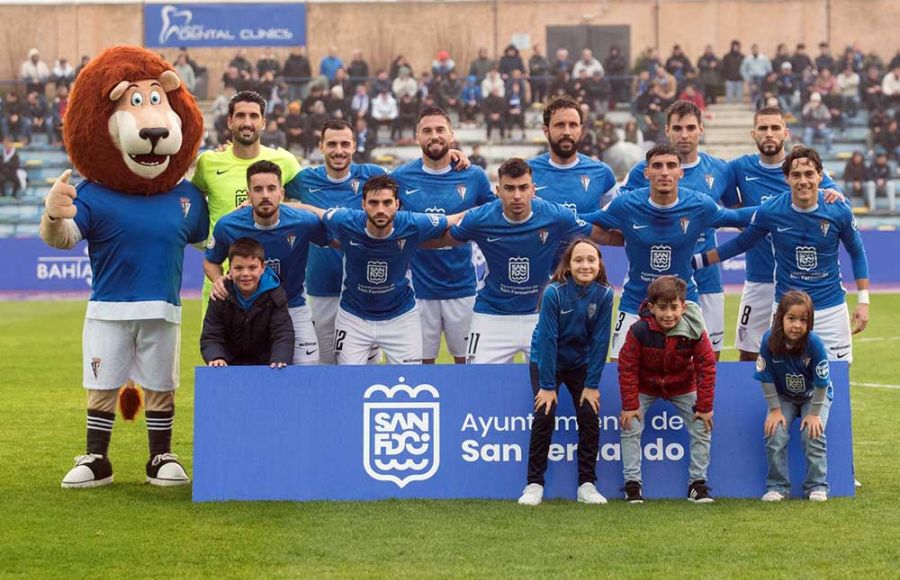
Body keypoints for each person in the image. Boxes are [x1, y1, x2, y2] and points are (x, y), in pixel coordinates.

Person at [582, 144, 753, 360]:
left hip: (684, 303)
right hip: (636, 300)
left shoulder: (699, 204)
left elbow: (738, 218)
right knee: (619, 365)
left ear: (680, 172)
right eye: (657, 166)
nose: (664, 172)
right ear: (646, 172)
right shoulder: (626, 205)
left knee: (697, 368)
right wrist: (545, 213)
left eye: (671, 165)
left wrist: (783, 206)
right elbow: (583, 220)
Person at [699, 145, 869, 363]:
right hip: (786, 311)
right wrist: (695, 262)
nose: (803, 180)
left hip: (830, 309)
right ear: (787, 178)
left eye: (809, 174)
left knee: (837, 379)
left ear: (820, 175)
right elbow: (740, 243)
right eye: (796, 175)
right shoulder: (772, 210)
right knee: (784, 381)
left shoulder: (838, 209)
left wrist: (863, 301)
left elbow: (856, 252)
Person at [444, 158, 622, 364]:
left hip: (541, 316)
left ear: (533, 189)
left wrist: (635, 240)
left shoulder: (554, 215)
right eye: (510, 189)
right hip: (491, 316)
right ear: (498, 191)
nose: (517, 196)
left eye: (523, 188)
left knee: (553, 385)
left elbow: (603, 236)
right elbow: (442, 239)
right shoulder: (480, 218)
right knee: (478, 382)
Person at [722, 107, 843, 361]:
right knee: (748, 353)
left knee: (802, 355)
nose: (769, 133)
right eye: (763, 128)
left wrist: (836, 195)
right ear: (753, 133)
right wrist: (749, 221)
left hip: (799, 282)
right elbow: (726, 204)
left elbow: (839, 202)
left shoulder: (802, 169)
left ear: (785, 133)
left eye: (775, 128)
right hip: (759, 277)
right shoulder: (738, 168)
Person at [300, 175, 455, 365]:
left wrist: (495, 210)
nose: (380, 209)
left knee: (409, 383)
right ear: (363, 204)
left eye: (387, 202)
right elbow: (313, 211)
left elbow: (454, 220)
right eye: (373, 203)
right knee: (348, 381)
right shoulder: (344, 220)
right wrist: (275, 207)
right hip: (353, 317)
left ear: (397, 204)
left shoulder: (413, 223)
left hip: (401, 318)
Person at [619, 101, 733, 358]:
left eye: (691, 127)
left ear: (701, 129)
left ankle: (702, 400)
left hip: (706, 279)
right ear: (667, 130)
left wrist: (710, 257)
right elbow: (621, 212)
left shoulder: (721, 169)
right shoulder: (643, 171)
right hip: (656, 278)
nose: (684, 134)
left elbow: (739, 215)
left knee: (709, 356)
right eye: (678, 128)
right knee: (644, 356)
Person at [391, 107, 494, 364]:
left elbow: (494, 216)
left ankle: (468, 407)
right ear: (417, 136)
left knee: (468, 366)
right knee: (421, 368)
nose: (434, 136)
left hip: (463, 287)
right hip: (416, 291)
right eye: (427, 131)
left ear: (452, 134)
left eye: (440, 130)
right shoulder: (400, 177)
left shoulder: (474, 176)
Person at [518, 239, 614, 506]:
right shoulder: (554, 292)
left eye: (591, 260)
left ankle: (587, 485)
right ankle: (534, 484)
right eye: (579, 260)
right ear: (568, 265)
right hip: (547, 360)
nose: (585, 265)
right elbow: (548, 340)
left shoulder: (605, 294)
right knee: (544, 415)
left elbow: (600, 341)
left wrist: (592, 384)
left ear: (599, 264)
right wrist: (547, 386)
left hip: (580, 362)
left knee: (589, 415)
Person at [191, 91, 301, 323]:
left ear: (264, 122)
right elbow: (191, 202)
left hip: (271, 281)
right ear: (230, 121)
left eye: (254, 116)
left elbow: (304, 205)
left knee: (275, 356)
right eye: (240, 116)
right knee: (217, 355)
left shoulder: (285, 162)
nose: (247, 122)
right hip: (221, 279)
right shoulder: (209, 162)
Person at [285, 119, 387, 364]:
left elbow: (415, 178)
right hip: (321, 289)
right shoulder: (304, 180)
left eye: (344, 144)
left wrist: (454, 155)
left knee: (366, 368)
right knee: (326, 365)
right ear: (321, 146)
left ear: (354, 146)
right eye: (332, 144)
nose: (338, 150)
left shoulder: (373, 175)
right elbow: (271, 192)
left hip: (366, 289)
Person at [205, 161, 327, 365]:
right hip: (248, 312)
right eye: (258, 189)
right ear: (248, 194)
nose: (265, 195)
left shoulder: (303, 222)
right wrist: (217, 280)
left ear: (282, 192)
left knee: (308, 371)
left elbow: (338, 239)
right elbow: (211, 262)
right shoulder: (228, 225)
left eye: (271, 189)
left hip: (293, 305)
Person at [618, 275, 716, 503]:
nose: (668, 314)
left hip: (682, 385)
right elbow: (627, 367)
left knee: (703, 424)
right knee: (630, 424)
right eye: (662, 308)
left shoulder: (695, 329)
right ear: (651, 308)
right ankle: (632, 485)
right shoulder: (638, 330)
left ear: (683, 306)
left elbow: (707, 367)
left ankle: (697, 485)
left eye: (674, 307)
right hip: (646, 385)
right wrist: (630, 406)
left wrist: (704, 407)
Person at [754, 291, 833, 502]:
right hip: (784, 397)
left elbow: (822, 382)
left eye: (803, 320)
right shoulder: (769, 340)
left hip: (813, 397)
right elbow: (765, 376)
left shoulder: (814, 344)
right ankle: (777, 486)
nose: (797, 325)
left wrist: (814, 414)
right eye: (791, 318)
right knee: (775, 432)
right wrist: (774, 410)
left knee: (812, 432)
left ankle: (817, 485)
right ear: (780, 318)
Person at [201, 238, 295, 368]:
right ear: (230, 269)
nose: (246, 274)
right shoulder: (220, 294)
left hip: (267, 365)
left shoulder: (275, 295)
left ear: (262, 268)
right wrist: (216, 357)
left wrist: (280, 358)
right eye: (239, 268)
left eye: (252, 268)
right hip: (228, 365)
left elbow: (282, 333)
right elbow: (212, 335)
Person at [528, 96, 617, 217]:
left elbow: (615, 225)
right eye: (560, 125)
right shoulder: (527, 172)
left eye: (573, 125)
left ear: (581, 130)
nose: (567, 132)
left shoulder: (602, 173)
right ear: (546, 131)